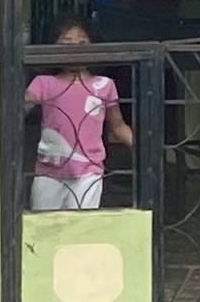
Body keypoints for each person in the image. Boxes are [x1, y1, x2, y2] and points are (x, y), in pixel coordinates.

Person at [27, 19, 130, 211]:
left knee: (81, 224)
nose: (75, 48)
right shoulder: (43, 83)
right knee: (45, 223)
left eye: (82, 42)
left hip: (88, 172)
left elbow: (118, 126)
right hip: (49, 171)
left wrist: (145, 148)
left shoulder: (104, 85)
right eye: (66, 42)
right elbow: (19, 108)